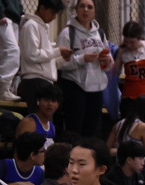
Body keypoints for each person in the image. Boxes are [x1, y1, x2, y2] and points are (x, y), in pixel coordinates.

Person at [56, 0, 112, 139]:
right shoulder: (67, 33)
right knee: (74, 130)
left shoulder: (100, 33)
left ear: (94, 11)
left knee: (91, 132)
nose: (85, 10)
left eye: (89, 7)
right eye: (82, 6)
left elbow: (109, 63)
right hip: (74, 86)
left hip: (96, 87)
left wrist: (107, 61)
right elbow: (59, 63)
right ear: (76, 9)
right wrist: (82, 59)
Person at [18, 0, 65, 113]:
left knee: (45, 120)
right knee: (36, 119)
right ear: (42, 8)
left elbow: (45, 59)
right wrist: (58, 51)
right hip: (34, 82)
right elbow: (32, 55)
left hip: (45, 81)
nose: (54, 17)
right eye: (52, 13)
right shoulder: (31, 25)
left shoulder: (43, 27)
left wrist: (63, 58)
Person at [107, 95, 145, 162]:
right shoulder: (144, 127)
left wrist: (119, 151)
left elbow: (106, 150)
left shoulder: (118, 124)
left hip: (119, 164)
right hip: (137, 166)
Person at [16, 81, 60, 149]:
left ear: (58, 105)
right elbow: (22, 151)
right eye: (46, 100)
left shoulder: (52, 127)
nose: (50, 104)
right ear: (38, 101)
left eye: (53, 101)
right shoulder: (29, 123)